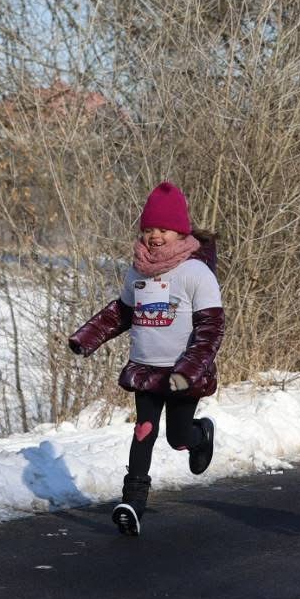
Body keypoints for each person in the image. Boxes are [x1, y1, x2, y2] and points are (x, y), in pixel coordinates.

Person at [69, 182, 222, 536]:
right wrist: (86, 338)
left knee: (177, 438)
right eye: (149, 229)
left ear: (179, 231)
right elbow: (122, 312)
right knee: (143, 431)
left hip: (184, 374)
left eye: (163, 230)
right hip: (145, 370)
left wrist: (188, 372)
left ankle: (200, 435)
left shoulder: (195, 273)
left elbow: (211, 329)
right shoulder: (138, 270)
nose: (155, 236)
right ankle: (132, 503)